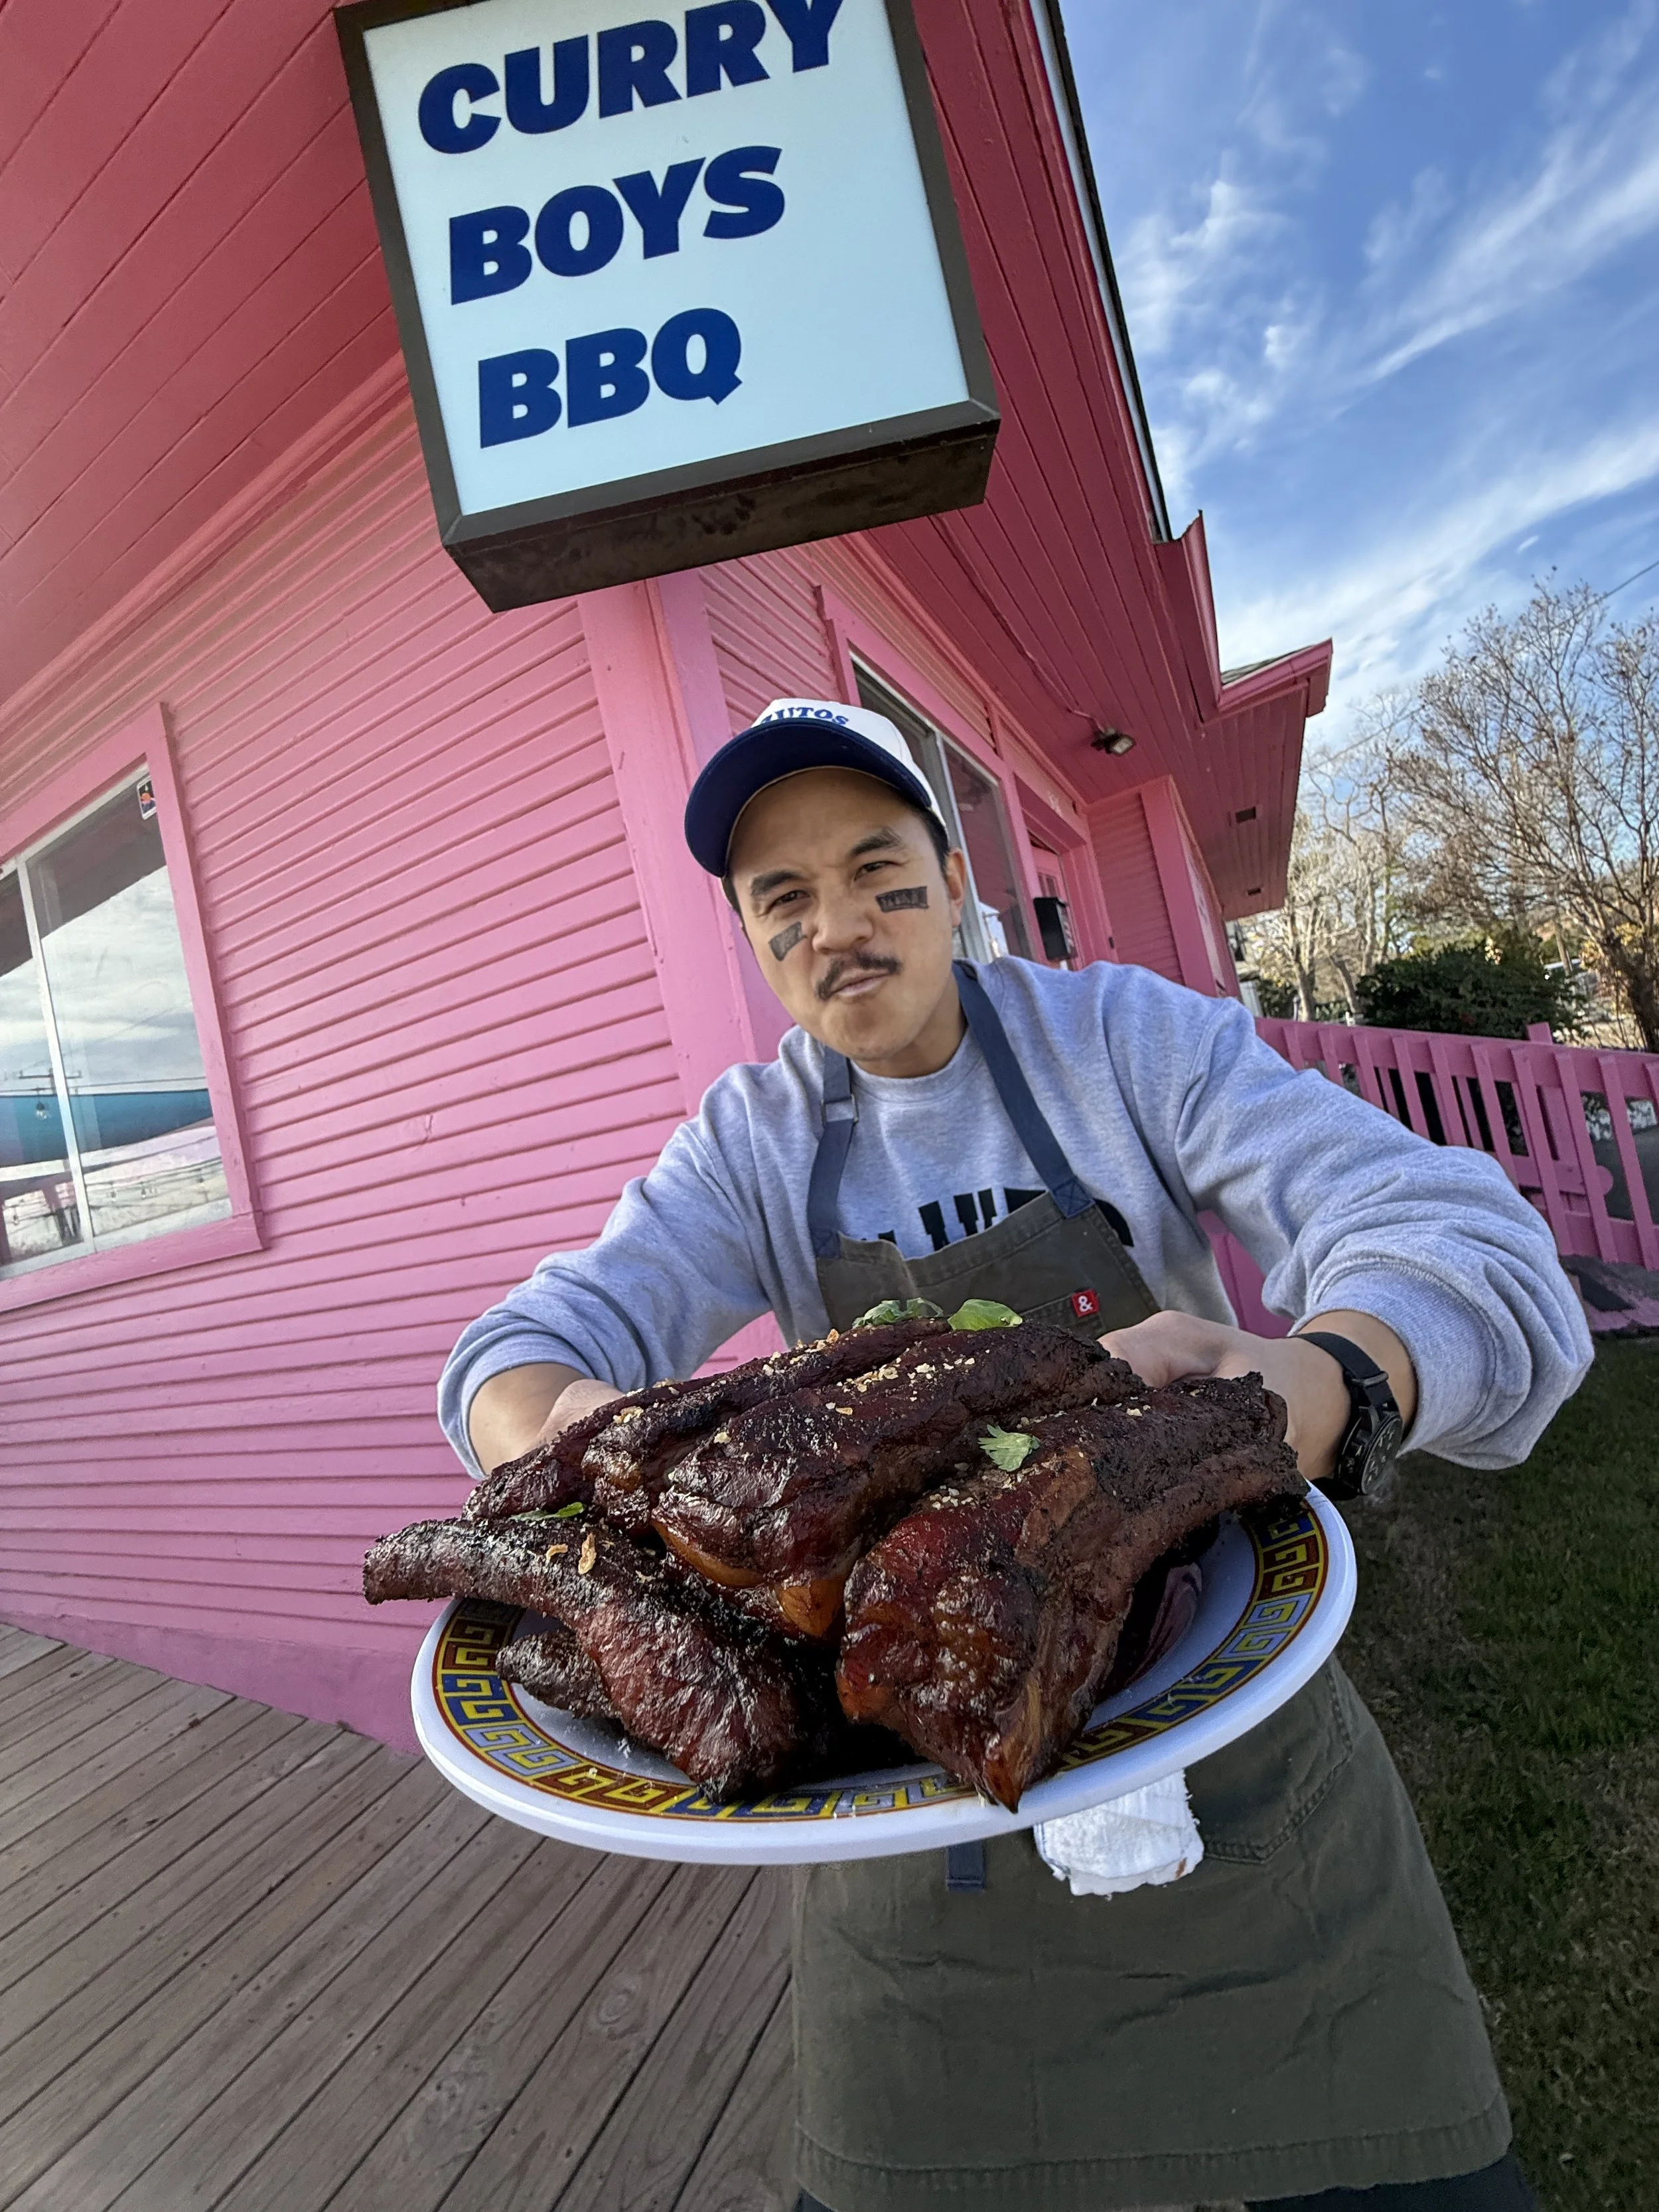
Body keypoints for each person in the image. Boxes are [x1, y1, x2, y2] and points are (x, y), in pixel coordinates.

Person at [440, 697, 1589, 2212]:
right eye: (781, 900)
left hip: (1225, 1748)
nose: (838, 926)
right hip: (912, 1820)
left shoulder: (1122, 1040)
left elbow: (1470, 1241)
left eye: (878, 871)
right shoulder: (749, 1141)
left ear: (953, 883)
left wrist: (1307, 1385)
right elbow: (512, 1354)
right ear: (749, 935)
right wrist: (589, 1427)